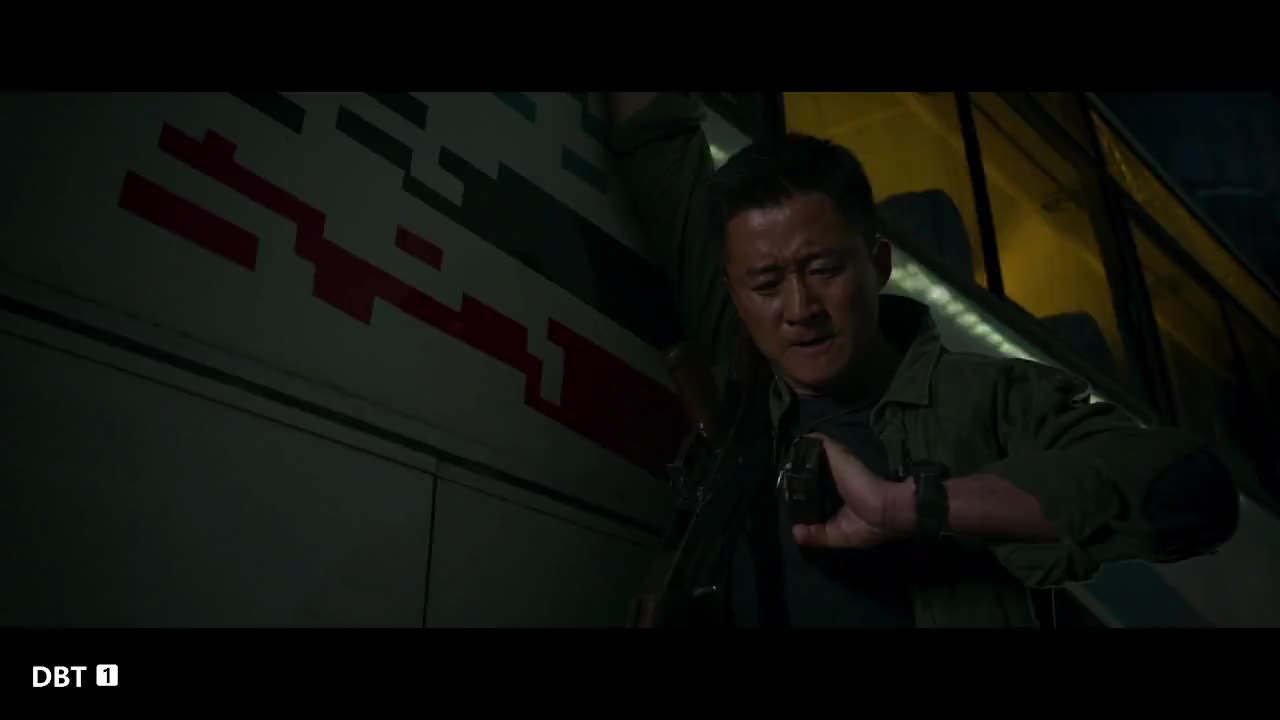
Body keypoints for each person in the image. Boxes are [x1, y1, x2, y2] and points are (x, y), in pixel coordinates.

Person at [607, 92, 1241, 628]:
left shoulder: (984, 398)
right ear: (734, 293)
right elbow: (652, 137)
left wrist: (909, 506)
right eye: (767, 285)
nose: (799, 308)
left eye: (824, 270)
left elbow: (1192, 488)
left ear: (879, 265)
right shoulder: (744, 379)